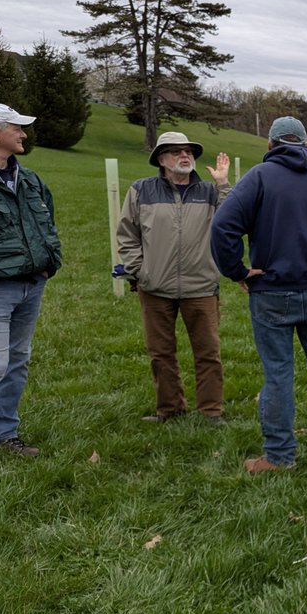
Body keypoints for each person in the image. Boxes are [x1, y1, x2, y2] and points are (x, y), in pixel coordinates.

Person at [210, 116, 307, 474]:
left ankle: (279, 456)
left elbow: (223, 226)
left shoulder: (259, 178)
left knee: (278, 372)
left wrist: (237, 271)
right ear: (306, 144)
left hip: (273, 293)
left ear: (271, 145)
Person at [117, 131, 231, 424]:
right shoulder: (141, 190)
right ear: (161, 160)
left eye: (189, 152)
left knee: (208, 353)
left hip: (202, 286)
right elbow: (127, 235)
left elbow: (232, 221)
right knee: (160, 354)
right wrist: (140, 271)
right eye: (176, 152)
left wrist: (223, 185)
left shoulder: (208, 191)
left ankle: (211, 412)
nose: (185, 156)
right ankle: (169, 409)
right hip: (155, 287)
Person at [0, 103, 62, 457]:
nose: (24, 133)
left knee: (16, 362)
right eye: (17, 128)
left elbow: (48, 224)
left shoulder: (29, 180)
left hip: (32, 286)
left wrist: (49, 264)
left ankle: (1, 435)